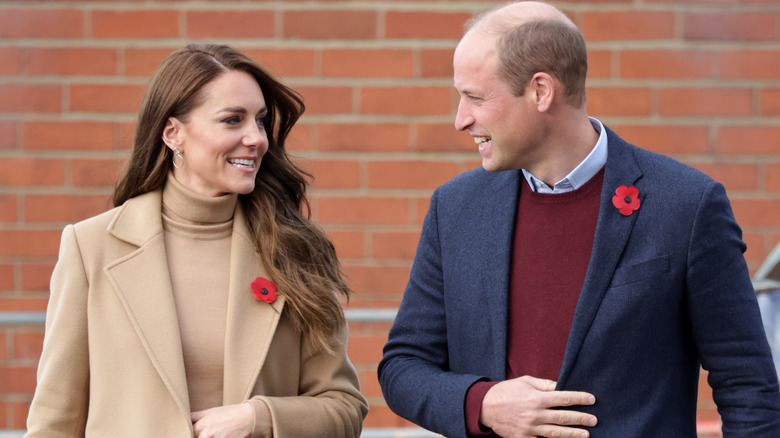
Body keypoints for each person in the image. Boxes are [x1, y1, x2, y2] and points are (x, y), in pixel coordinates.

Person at [378, 2, 780, 437]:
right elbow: (402, 366)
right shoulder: (455, 208)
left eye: (475, 97)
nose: (461, 119)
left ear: (541, 92)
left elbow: (749, 390)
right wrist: (484, 402)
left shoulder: (686, 205)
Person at [25, 43, 368, 438]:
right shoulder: (91, 247)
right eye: (231, 120)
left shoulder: (293, 250)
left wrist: (258, 418)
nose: (256, 138)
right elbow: (55, 421)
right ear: (173, 134)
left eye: (259, 120)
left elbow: (344, 407)